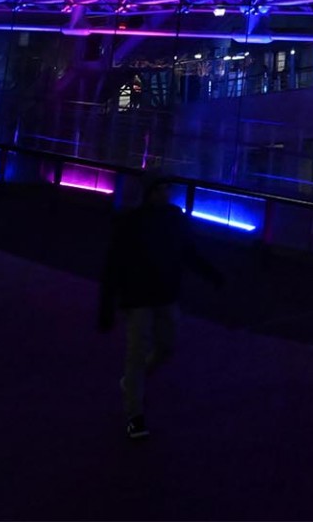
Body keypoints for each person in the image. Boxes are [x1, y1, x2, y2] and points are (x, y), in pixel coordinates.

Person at [98, 175, 223, 440]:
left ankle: (133, 384)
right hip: (143, 296)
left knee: (164, 347)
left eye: (166, 188)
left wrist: (211, 274)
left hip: (160, 294)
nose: (165, 193)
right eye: (160, 188)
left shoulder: (162, 218)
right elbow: (115, 262)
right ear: (149, 192)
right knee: (139, 351)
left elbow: (187, 251)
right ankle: (134, 414)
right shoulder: (138, 221)